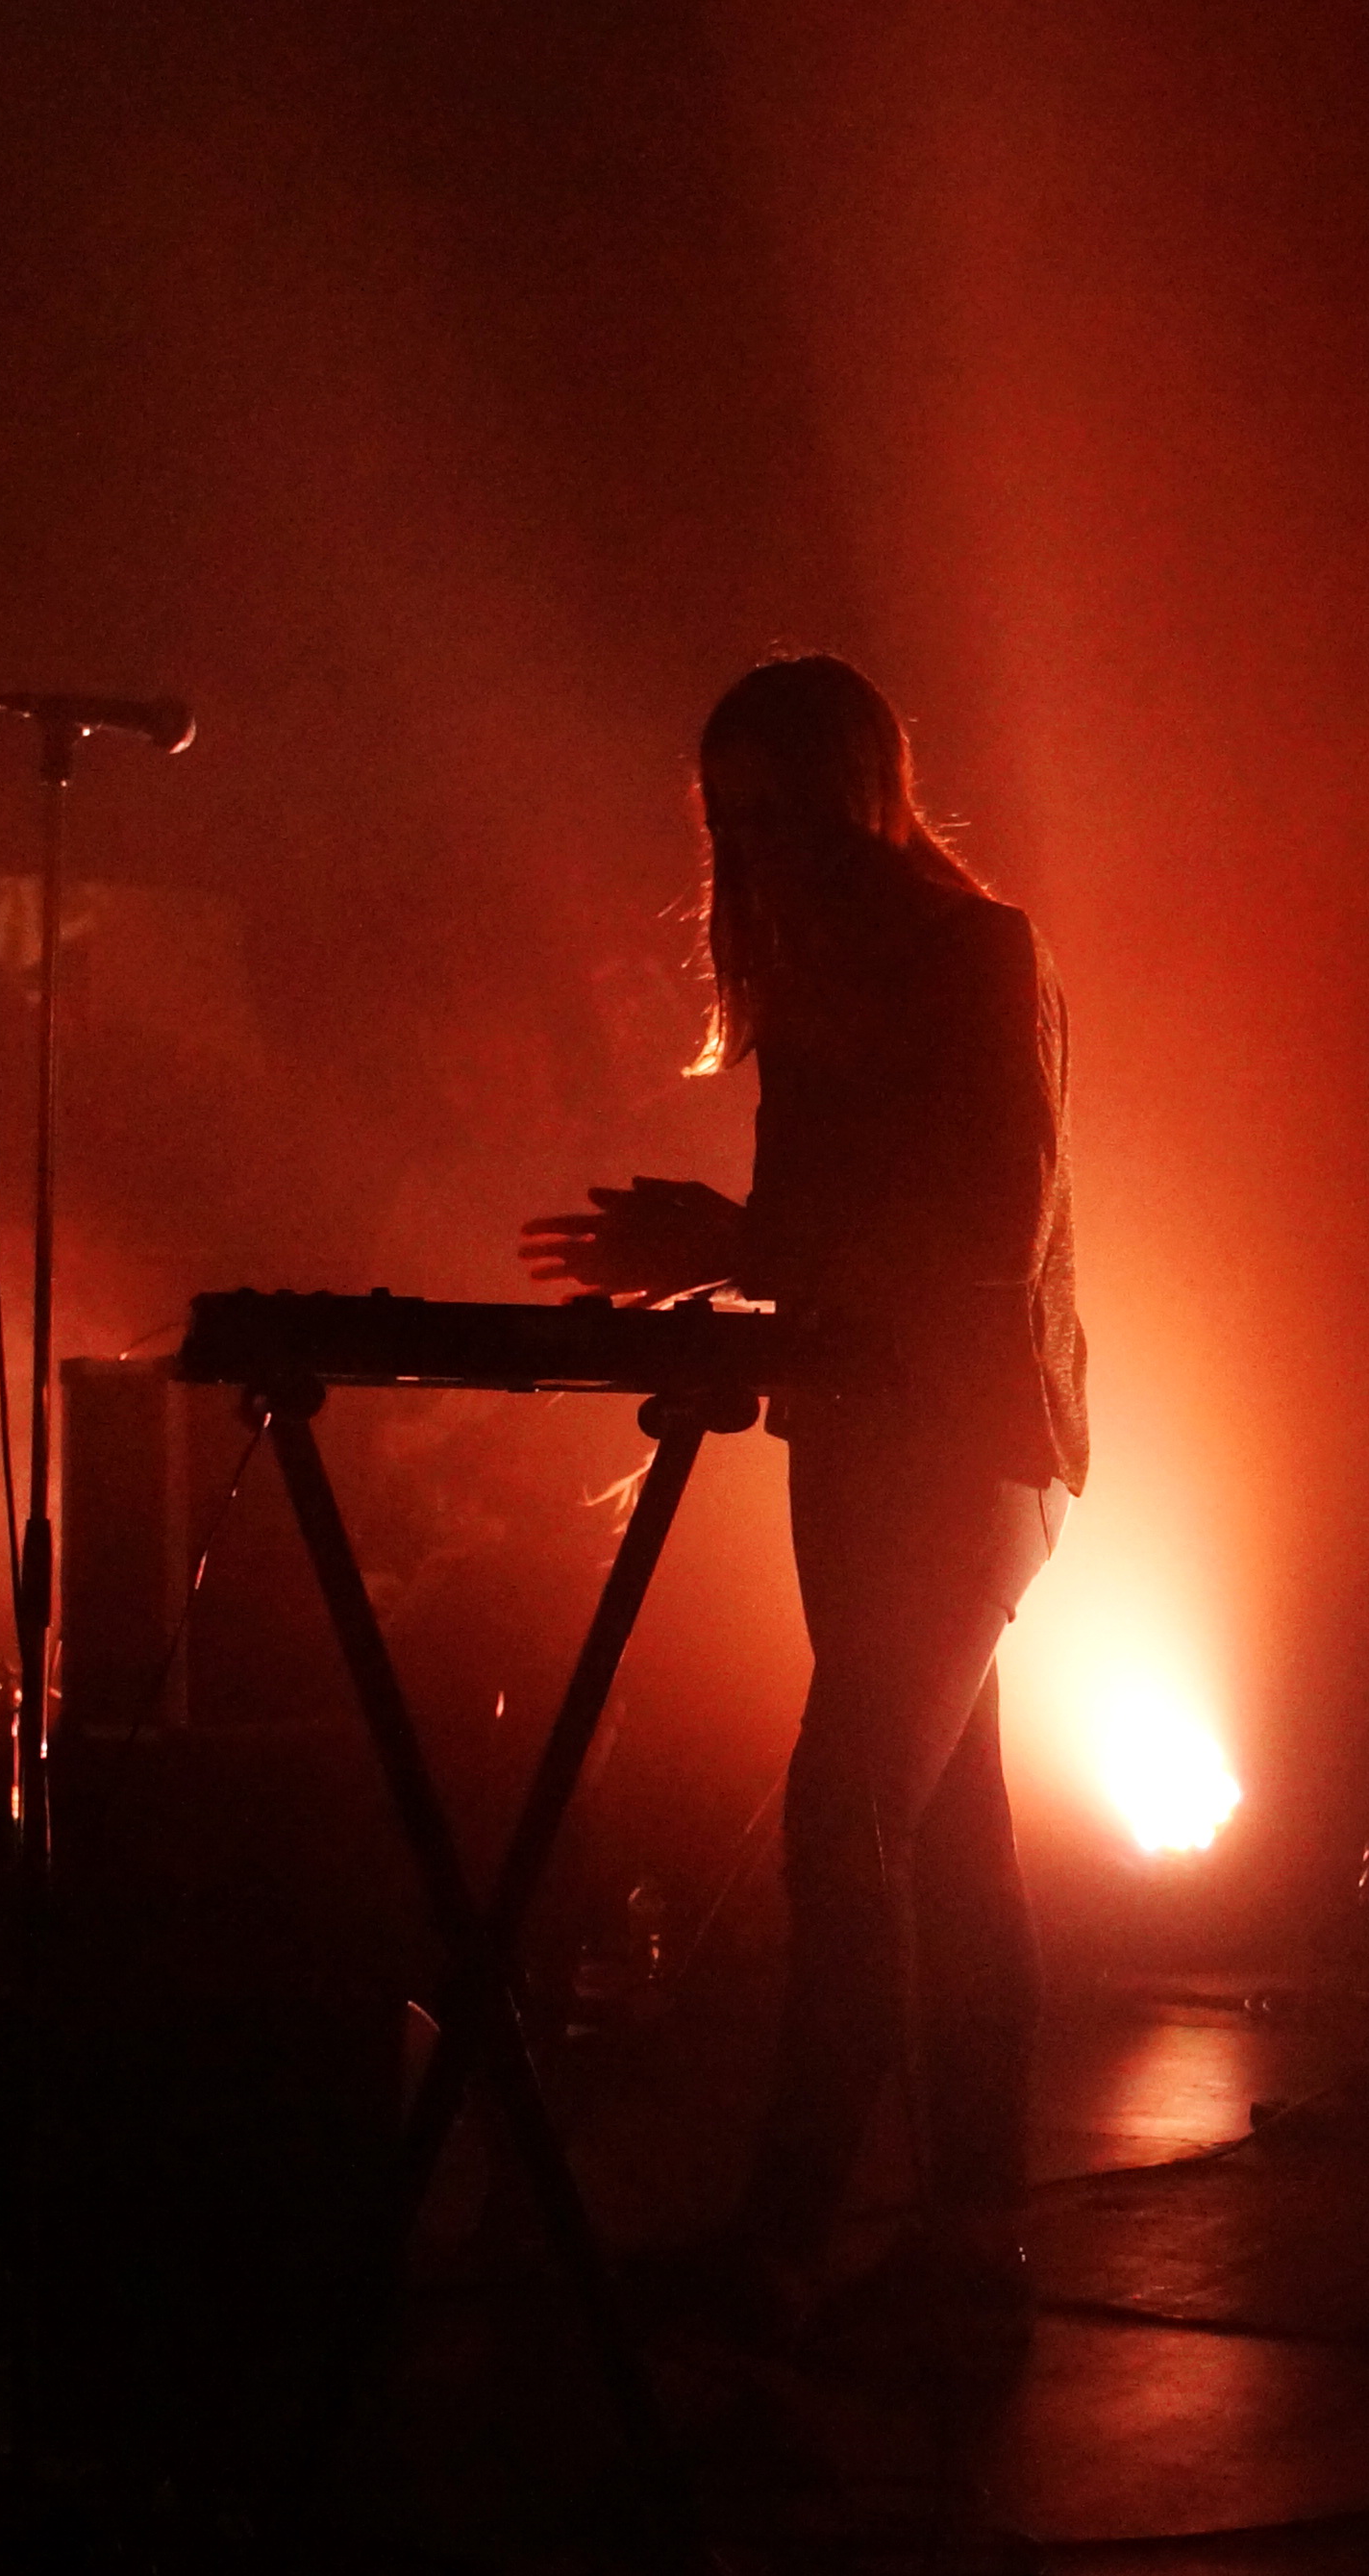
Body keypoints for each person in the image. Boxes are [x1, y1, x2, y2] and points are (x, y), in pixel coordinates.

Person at [522, 653, 1086, 2363]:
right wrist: (717, 1285)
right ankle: (972, 2239)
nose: (751, 846)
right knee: (950, 1845)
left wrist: (733, 1246)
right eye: (728, 819)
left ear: (863, 799)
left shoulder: (976, 952)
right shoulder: (811, 977)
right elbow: (830, 1252)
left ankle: (784, 2242)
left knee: (847, 1827)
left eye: (776, 813)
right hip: (859, 1449)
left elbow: (988, 1230)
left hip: (972, 1447)